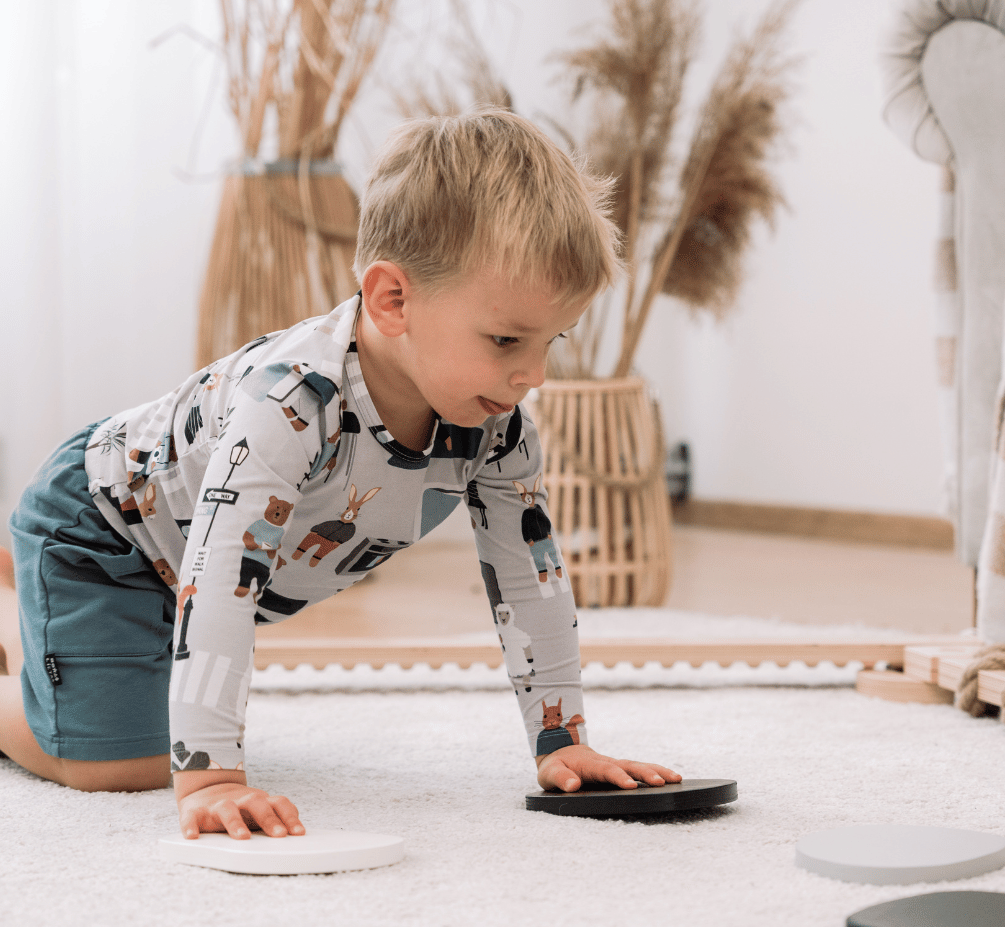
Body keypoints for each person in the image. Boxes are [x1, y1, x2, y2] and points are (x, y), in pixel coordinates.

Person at [0, 109, 681, 840]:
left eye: (552, 341)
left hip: (188, 562)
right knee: (122, 764)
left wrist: (562, 741)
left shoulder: (497, 427)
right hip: (104, 529)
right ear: (393, 299)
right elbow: (222, 570)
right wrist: (212, 777)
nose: (534, 374)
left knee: (147, 718)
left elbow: (529, 580)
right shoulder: (292, 402)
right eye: (507, 340)